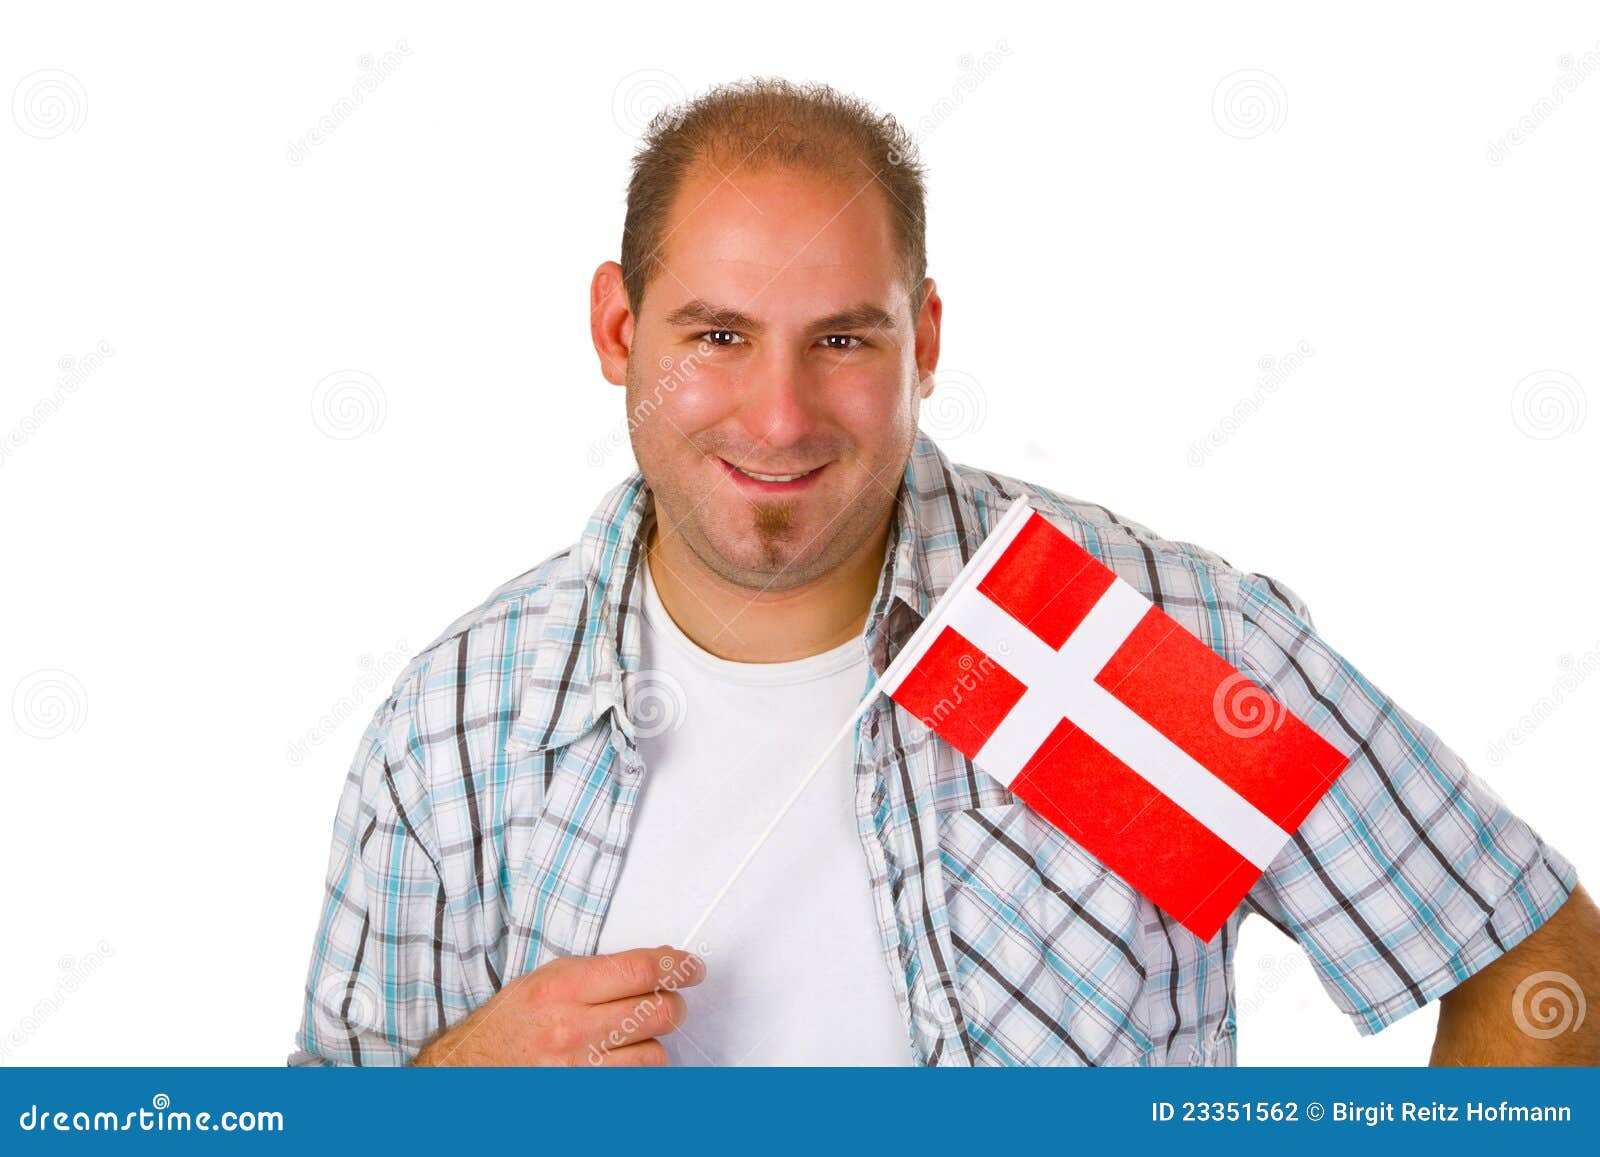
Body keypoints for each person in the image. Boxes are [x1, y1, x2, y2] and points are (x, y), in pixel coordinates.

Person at [289, 77, 1597, 1068]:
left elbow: (1538, 958)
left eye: (843, 338)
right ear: (620, 332)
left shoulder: (1097, 642)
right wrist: (451, 1089)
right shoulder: (468, 722)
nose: (781, 415)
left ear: (921, 337)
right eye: (720, 334)